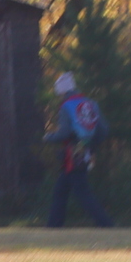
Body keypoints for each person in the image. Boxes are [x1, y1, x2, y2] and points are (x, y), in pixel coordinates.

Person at [45, 71, 113, 227]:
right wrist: (91, 146)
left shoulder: (66, 107)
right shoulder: (91, 103)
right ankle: (53, 226)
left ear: (61, 91)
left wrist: (48, 137)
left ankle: (106, 224)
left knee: (82, 193)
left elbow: (64, 133)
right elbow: (103, 129)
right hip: (85, 152)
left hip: (72, 154)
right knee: (61, 190)